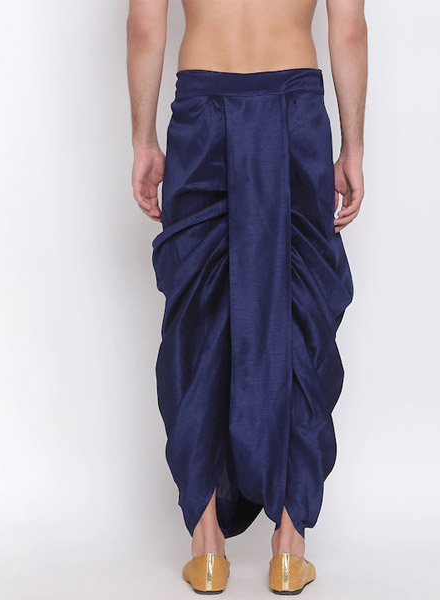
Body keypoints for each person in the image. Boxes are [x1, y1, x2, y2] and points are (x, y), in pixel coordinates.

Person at [126, 0, 367, 593]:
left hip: (202, 107)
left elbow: (145, 27)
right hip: (295, 109)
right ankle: (290, 544)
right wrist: (353, 147)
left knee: (198, 320)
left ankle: (207, 545)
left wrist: (143, 140)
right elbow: (348, 29)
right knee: (299, 312)